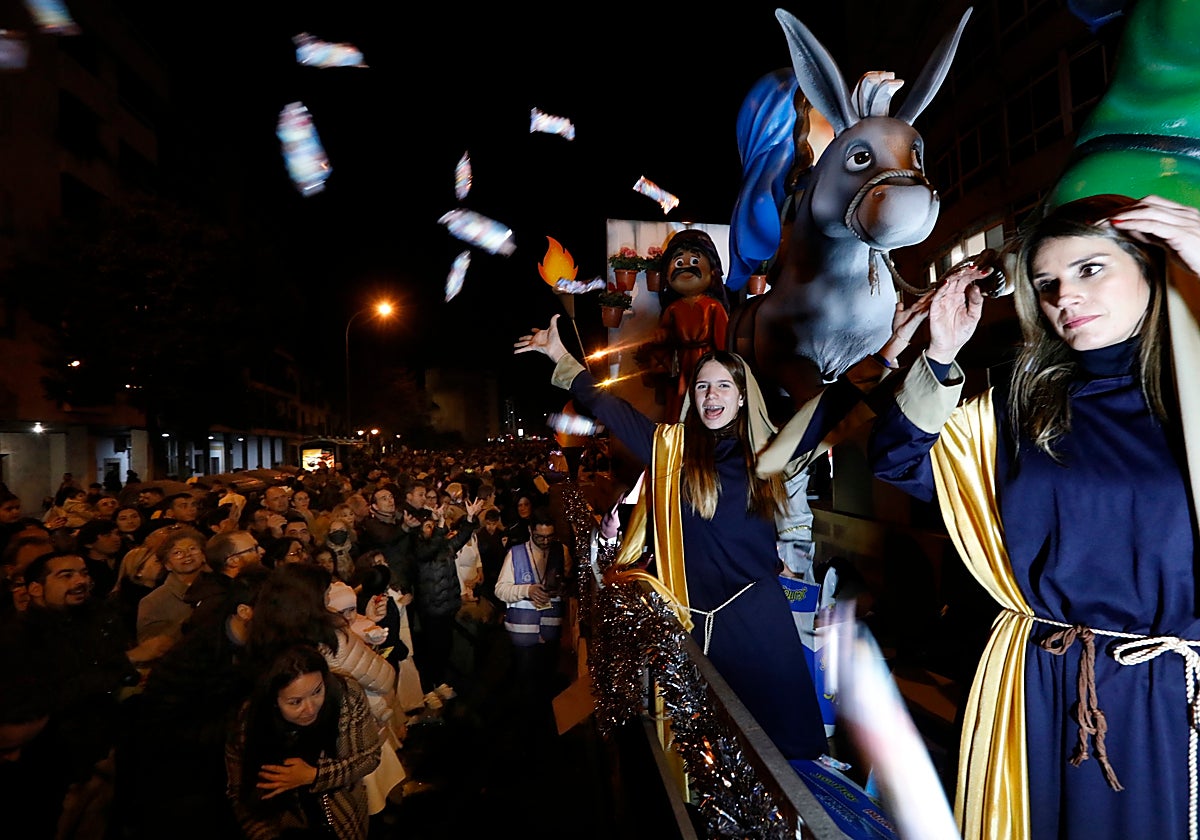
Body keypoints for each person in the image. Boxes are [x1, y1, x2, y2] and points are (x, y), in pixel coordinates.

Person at [867, 194, 1200, 839]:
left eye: (1090, 269)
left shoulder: (1186, 397)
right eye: (1047, 284)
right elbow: (899, 461)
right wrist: (939, 357)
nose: (1063, 297)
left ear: (1153, 267)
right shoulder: (1025, 406)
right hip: (1036, 682)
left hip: (1163, 694)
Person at [513, 309, 920, 763]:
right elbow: (613, 409)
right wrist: (562, 358)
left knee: (789, 749)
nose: (711, 394)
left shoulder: (768, 453)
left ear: (743, 397)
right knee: (713, 758)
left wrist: (891, 349)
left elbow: (829, 407)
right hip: (694, 625)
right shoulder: (671, 451)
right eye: (703, 385)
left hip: (757, 620)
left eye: (724, 385)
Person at [225, 644, 381, 840]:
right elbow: (240, 794)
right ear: (273, 700)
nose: (310, 709)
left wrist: (314, 776)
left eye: (317, 691)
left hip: (345, 818)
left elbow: (370, 756)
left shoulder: (346, 696)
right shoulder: (248, 723)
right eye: (295, 702)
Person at [640, 229, 732, 422]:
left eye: (695, 261)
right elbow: (665, 333)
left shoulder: (713, 307)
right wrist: (662, 337)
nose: (686, 268)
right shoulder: (673, 309)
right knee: (678, 408)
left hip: (707, 366)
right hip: (680, 366)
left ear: (712, 271)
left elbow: (724, 344)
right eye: (679, 262)